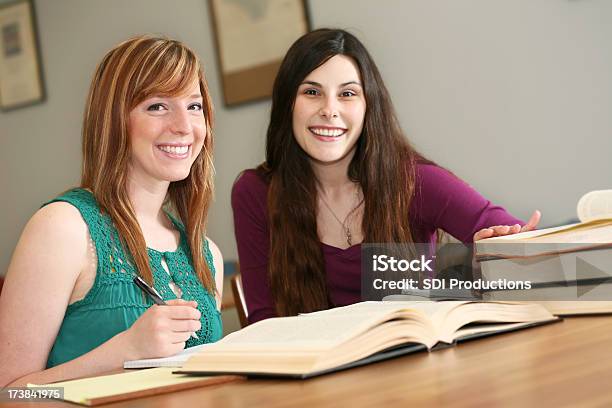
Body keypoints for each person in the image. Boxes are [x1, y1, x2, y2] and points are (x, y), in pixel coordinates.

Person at [231, 28, 540, 324]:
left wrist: (491, 263)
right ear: (288, 104)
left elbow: (529, 255)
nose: (329, 109)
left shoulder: (414, 180)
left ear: (369, 106)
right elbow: (264, 321)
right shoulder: (255, 193)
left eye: (348, 93)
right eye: (312, 92)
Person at [0, 35, 223, 387]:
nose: (184, 126)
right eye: (157, 106)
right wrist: (126, 351)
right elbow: (7, 395)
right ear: (114, 120)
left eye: (194, 106)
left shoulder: (206, 253)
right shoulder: (62, 228)